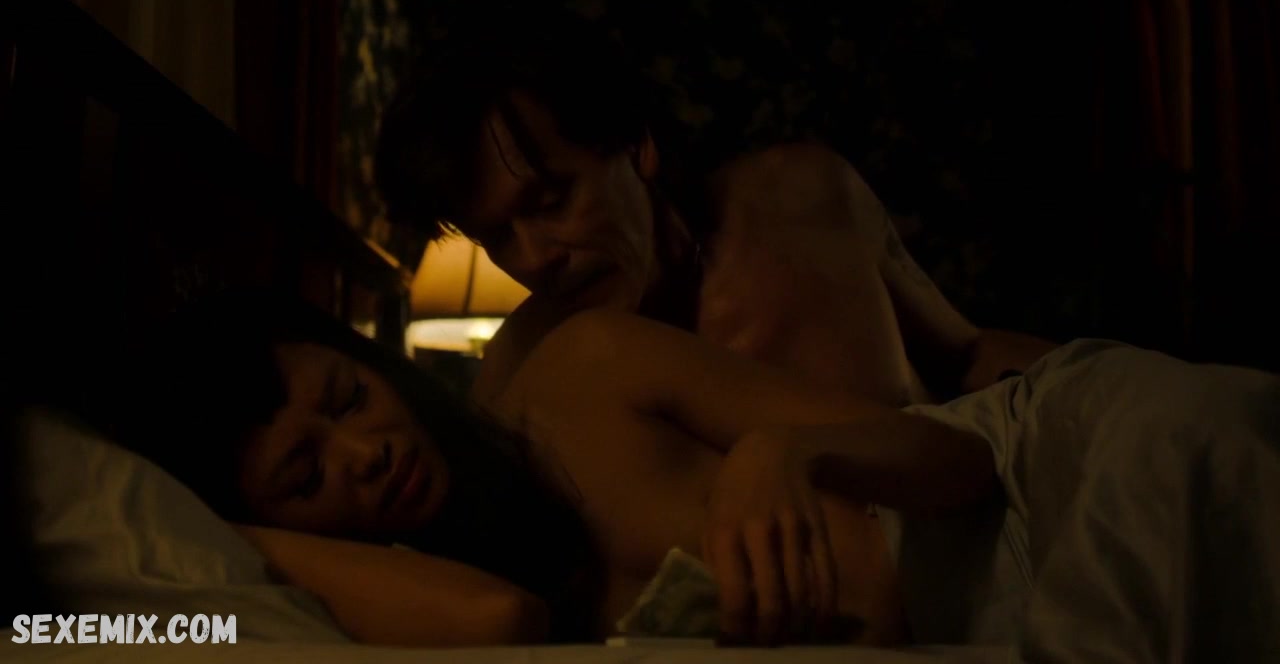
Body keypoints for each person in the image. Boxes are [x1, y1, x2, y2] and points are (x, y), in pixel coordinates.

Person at [127, 290, 1280, 660]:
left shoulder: (580, 374)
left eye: (348, 401)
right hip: (1008, 613)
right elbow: (493, 620)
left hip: (1043, 467)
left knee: (1192, 445)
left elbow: (958, 458)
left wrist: (784, 453)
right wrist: (236, 537)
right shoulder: (389, 607)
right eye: (305, 473)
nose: (365, 453)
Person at [374, 8, 1057, 408]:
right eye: (497, 238)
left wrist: (1099, 394)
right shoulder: (524, 374)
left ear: (635, 145)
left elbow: (969, 353)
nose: (534, 259)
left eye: (553, 202)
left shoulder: (798, 198)